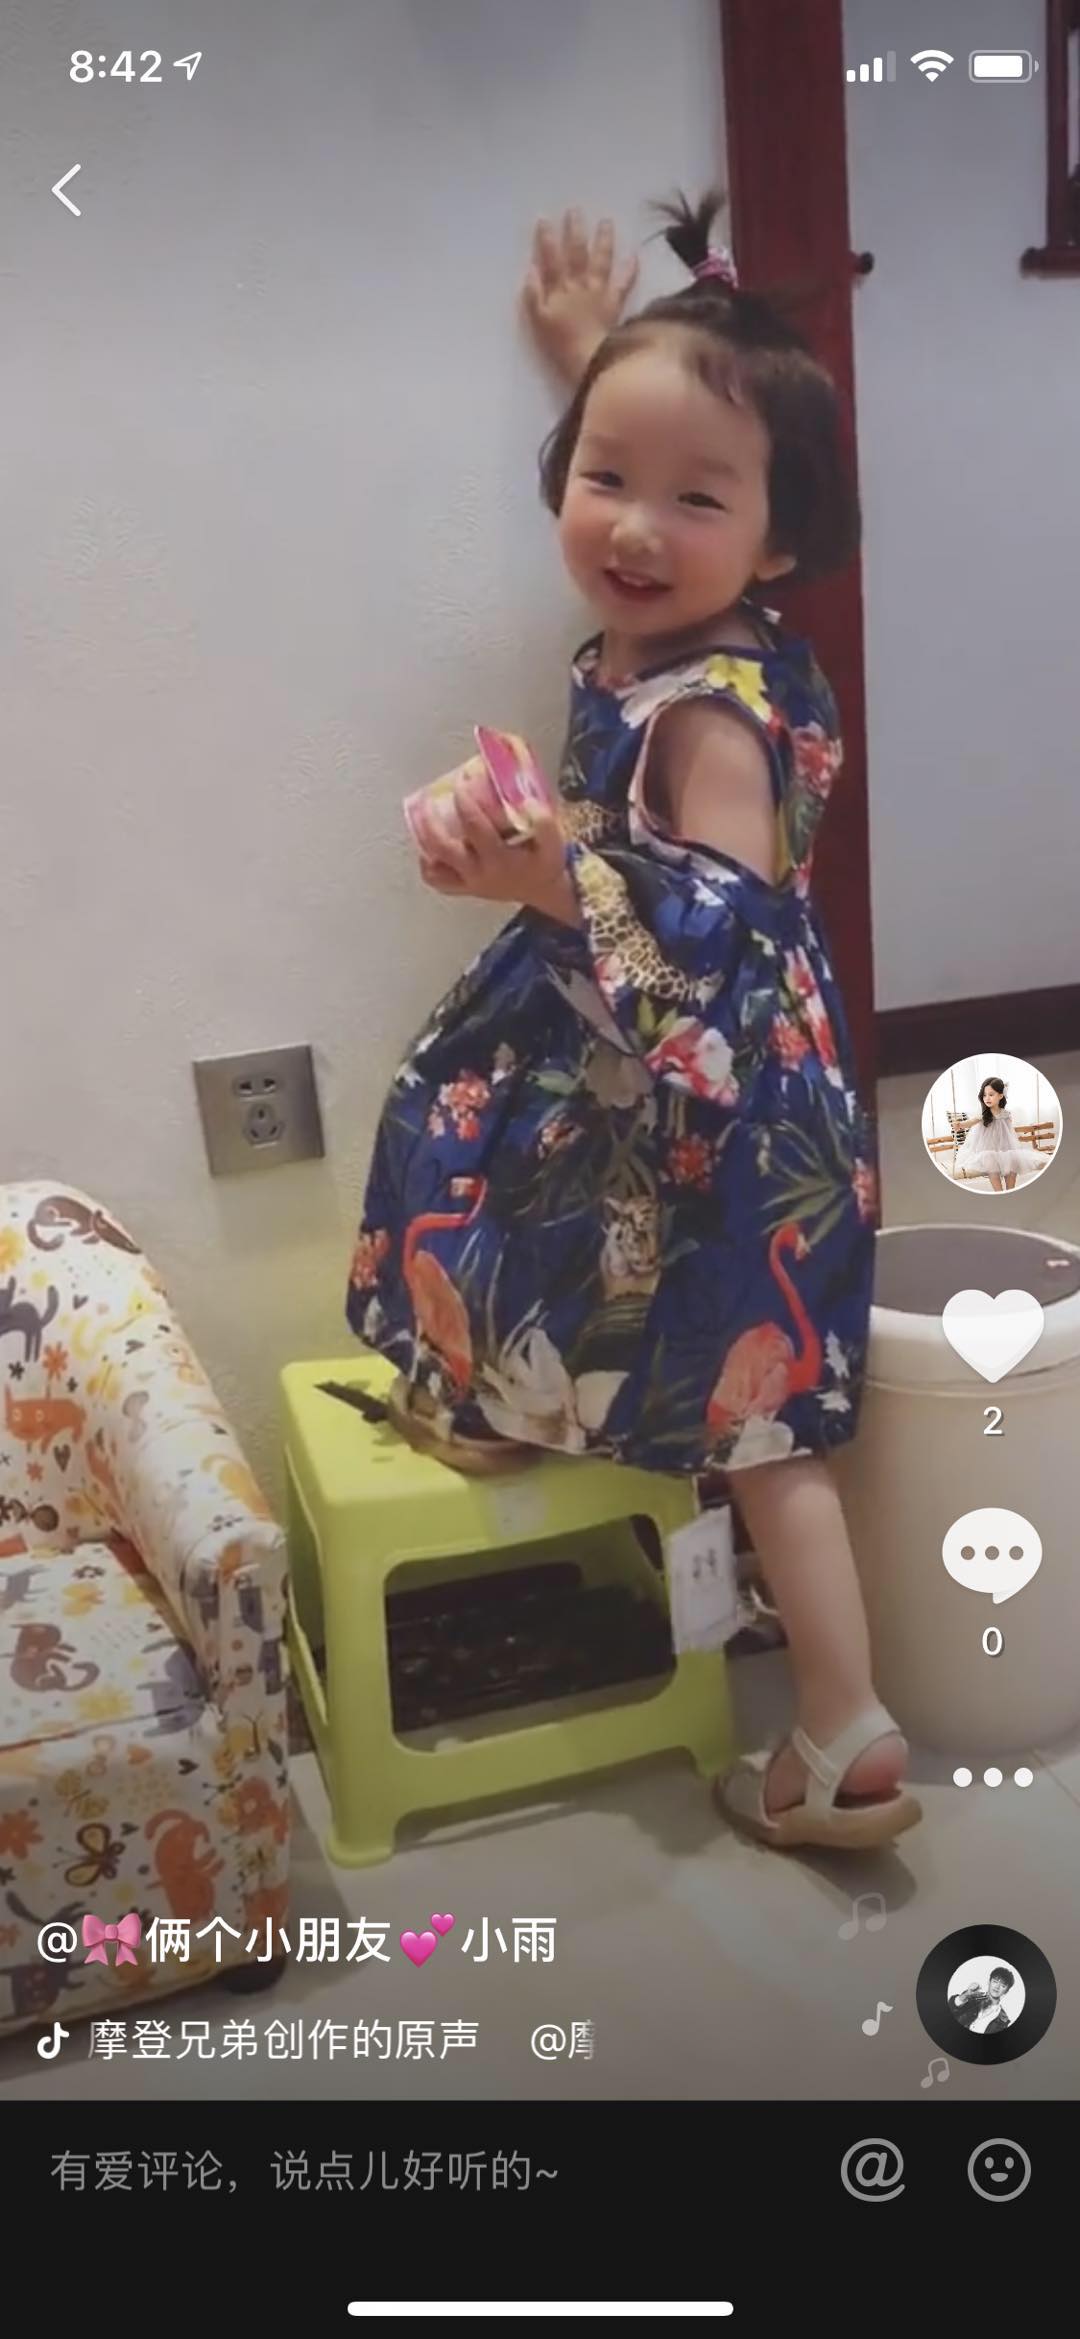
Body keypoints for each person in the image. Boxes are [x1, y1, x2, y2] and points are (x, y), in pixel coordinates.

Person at [346, 195, 921, 1853]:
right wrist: (592, 355)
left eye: (697, 498)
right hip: (693, 1080)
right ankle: (814, 1688)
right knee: (716, 1383)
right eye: (604, 475)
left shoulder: (707, 725)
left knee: (762, 1424)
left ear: (781, 542)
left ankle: (843, 1718)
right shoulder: (707, 630)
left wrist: (546, 878)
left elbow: (712, 951)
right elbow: (668, 462)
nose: (637, 530)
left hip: (726, 1112)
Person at [951, 1077, 1044, 1192]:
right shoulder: (983, 1114)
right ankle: (998, 1192)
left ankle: (1010, 1191)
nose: (987, 1098)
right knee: (991, 1165)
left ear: (1000, 1095)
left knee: (1012, 1163)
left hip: (1005, 1148)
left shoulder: (1006, 1114)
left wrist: (1015, 1140)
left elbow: (1010, 1132)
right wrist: (960, 1125)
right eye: (984, 1095)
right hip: (987, 1150)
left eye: (991, 1095)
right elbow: (971, 1122)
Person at [949, 1966, 1016, 2034]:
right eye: (995, 1982)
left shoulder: (1003, 2020)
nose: (997, 1987)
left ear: (1006, 1991)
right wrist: (966, 1995)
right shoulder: (972, 1997)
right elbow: (951, 2008)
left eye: (1003, 1985)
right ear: (989, 1982)